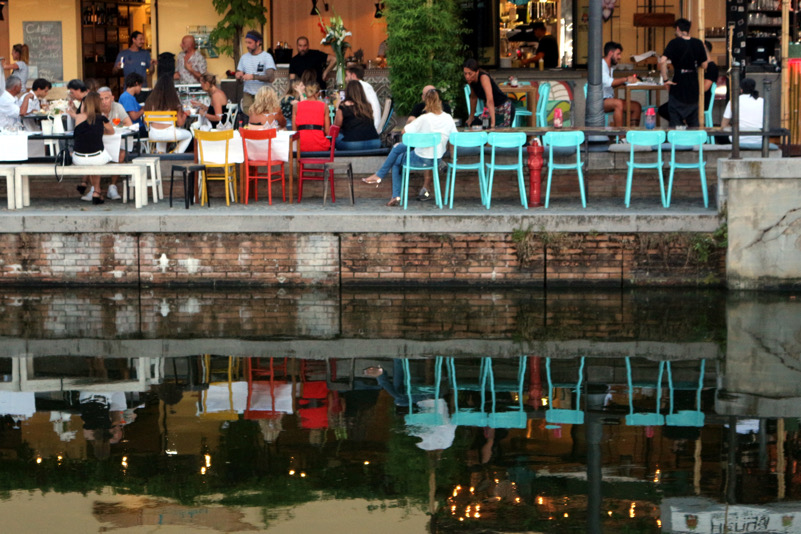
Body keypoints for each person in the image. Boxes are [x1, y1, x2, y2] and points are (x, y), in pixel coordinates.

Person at [362, 88, 456, 207]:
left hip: (421, 158)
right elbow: (454, 138)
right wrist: (453, 158)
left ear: (426, 102)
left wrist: (414, 122)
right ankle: (379, 176)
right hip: (436, 159)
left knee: (396, 159)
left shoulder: (424, 119)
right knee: (399, 148)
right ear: (440, 102)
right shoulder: (448, 118)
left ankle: (391, 189)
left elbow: (404, 132)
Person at [66, 91, 114, 205]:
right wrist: (101, 132)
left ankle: (96, 191)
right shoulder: (102, 118)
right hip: (97, 157)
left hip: (79, 159)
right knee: (97, 157)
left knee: (92, 159)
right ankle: (97, 191)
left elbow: (82, 129)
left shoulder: (79, 117)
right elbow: (112, 131)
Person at [659, 18, 708, 127]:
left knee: (675, 116)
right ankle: (694, 141)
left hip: (678, 82)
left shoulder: (674, 43)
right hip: (693, 84)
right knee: (693, 118)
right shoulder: (698, 43)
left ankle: (676, 141)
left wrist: (666, 79)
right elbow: (705, 65)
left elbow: (662, 61)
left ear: (677, 29)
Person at [143, 75, 193, 153]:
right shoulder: (174, 103)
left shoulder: (150, 102)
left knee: (161, 140)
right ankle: (176, 154)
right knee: (189, 135)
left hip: (153, 134)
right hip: (169, 133)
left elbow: (145, 121)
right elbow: (180, 123)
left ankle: (161, 154)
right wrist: (185, 114)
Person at [464, 58, 513, 129]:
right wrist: (471, 117)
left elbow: (490, 100)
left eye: (470, 73)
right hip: (492, 110)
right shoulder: (472, 81)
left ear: (477, 72)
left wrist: (493, 124)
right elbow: (473, 98)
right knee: (474, 124)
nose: (467, 76)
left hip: (504, 107)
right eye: (465, 73)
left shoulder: (484, 78)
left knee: (501, 133)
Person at [235, 30, 276, 115]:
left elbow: (271, 78)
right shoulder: (244, 58)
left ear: (258, 42)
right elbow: (239, 81)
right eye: (246, 43)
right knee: (249, 117)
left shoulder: (266, 57)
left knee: (262, 117)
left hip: (263, 94)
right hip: (248, 94)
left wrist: (253, 77)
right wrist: (238, 76)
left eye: (250, 43)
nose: (247, 45)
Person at [601, 41, 641, 126]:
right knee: (618, 103)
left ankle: (632, 135)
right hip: (599, 101)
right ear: (611, 53)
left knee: (636, 106)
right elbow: (610, 82)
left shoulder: (610, 67)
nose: (620, 57)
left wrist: (625, 82)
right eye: (618, 54)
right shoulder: (601, 65)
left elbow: (610, 82)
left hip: (609, 99)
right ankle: (621, 137)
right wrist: (626, 79)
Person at [334, 80, 380, 150]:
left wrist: (337, 108)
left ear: (348, 91)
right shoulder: (368, 106)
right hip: (375, 142)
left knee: (336, 137)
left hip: (353, 144)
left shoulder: (343, 106)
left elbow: (336, 126)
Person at [721, 77, 764, 146]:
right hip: (758, 139)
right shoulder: (762, 101)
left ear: (741, 89)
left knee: (720, 136)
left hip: (737, 139)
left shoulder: (734, 101)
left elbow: (724, 124)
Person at [292, 81, 330, 152]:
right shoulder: (324, 106)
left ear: (305, 93)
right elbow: (327, 131)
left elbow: (294, 130)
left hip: (301, 145)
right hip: (320, 144)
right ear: (318, 93)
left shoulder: (296, 106)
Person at [345, 65, 382, 132]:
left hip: (370, 127)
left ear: (353, 75)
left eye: (347, 76)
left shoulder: (361, 87)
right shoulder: (365, 86)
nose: (346, 79)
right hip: (369, 126)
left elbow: (375, 108)